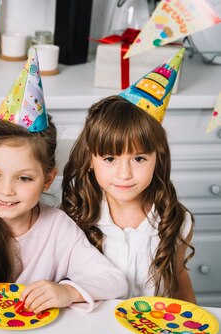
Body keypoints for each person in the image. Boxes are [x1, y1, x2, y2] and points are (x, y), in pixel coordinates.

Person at [0, 50, 127, 313]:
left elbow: (114, 281)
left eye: (24, 178)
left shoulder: (58, 230)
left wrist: (66, 291)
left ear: (48, 179)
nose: (6, 190)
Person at [61, 51, 195, 302]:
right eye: (110, 159)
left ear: (159, 157)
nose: (125, 174)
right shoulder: (75, 215)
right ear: (91, 159)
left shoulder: (175, 220)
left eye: (139, 159)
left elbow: (179, 284)